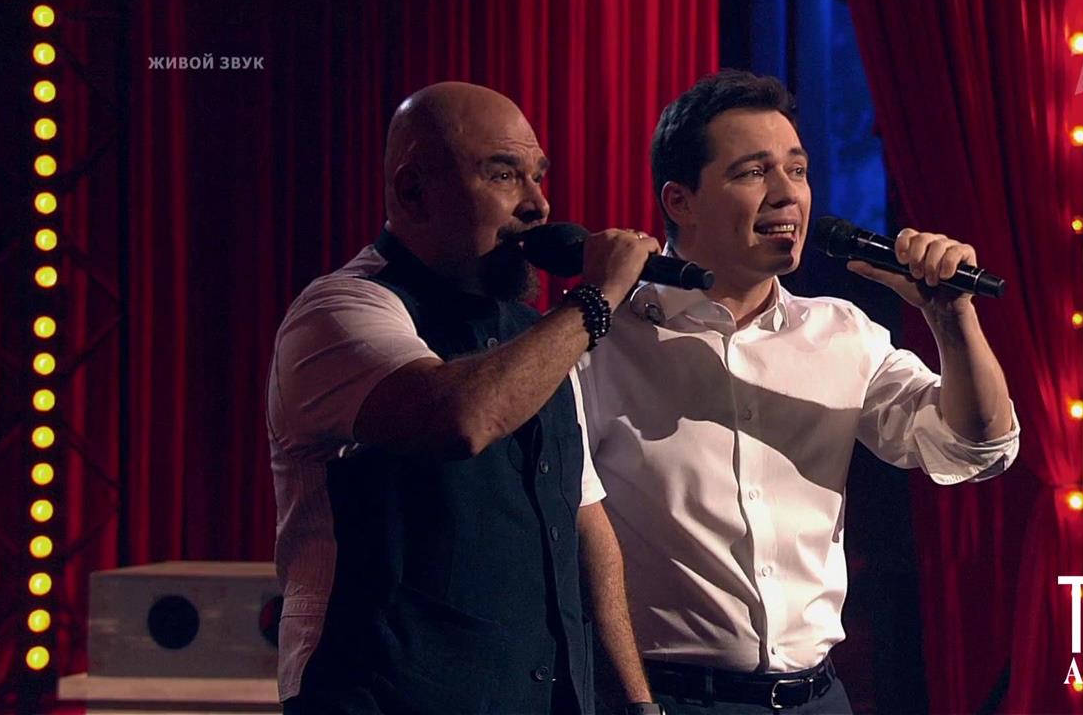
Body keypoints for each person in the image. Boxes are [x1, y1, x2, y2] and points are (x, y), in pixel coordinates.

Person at [577, 70, 1020, 714]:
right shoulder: (601, 340)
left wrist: (951, 318)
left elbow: (976, 448)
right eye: (754, 172)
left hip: (818, 697)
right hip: (666, 698)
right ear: (680, 200)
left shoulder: (840, 332)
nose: (788, 195)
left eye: (798, 170)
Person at [267, 82, 660, 714]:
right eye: (503, 174)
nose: (539, 204)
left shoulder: (537, 337)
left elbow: (585, 524)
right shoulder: (340, 311)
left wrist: (636, 703)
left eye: (538, 176)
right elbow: (460, 419)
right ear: (413, 192)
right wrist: (598, 298)